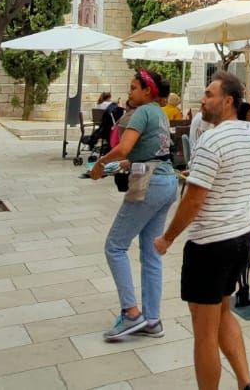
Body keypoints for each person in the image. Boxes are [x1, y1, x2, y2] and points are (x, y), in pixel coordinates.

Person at [152, 73, 250, 390]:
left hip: (211, 243)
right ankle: (245, 383)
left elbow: (194, 199)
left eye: (209, 94)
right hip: (242, 235)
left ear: (228, 101)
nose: (202, 99)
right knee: (224, 311)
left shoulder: (212, 141)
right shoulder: (248, 137)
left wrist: (167, 237)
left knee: (204, 331)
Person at [91, 70, 179, 341]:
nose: (129, 92)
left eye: (133, 88)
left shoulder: (141, 113)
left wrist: (100, 163)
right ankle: (152, 319)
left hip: (148, 183)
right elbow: (154, 152)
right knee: (151, 252)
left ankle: (131, 313)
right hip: (167, 181)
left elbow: (124, 147)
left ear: (147, 91)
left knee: (114, 246)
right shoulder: (160, 114)